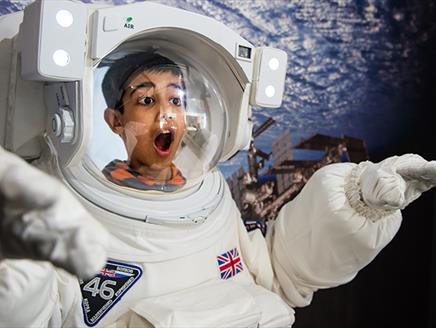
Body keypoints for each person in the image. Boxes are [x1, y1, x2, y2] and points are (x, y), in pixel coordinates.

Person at [101, 53, 186, 192]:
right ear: (116, 121)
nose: (166, 113)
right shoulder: (105, 187)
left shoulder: (191, 187)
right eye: (147, 100)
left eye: (175, 100)